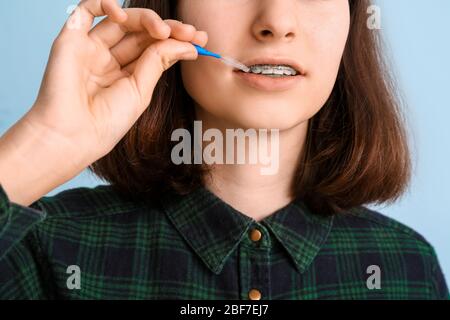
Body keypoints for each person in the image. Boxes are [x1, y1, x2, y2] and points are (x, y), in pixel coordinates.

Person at [0, 0, 447, 300]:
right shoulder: (42, 250)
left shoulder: (408, 269)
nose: (276, 21)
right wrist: (44, 142)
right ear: (168, 9)